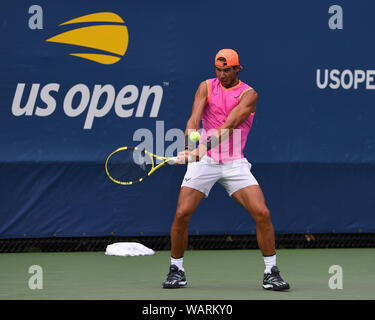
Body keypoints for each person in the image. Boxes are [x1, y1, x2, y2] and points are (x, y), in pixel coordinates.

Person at [162, 49, 290, 291]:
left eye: (227, 70)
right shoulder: (206, 87)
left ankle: (271, 272)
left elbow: (229, 125)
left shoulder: (249, 94)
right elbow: (194, 120)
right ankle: (176, 270)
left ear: (238, 69)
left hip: (234, 163)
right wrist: (190, 147)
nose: (222, 75)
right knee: (181, 214)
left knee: (262, 213)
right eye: (218, 70)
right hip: (204, 163)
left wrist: (202, 147)